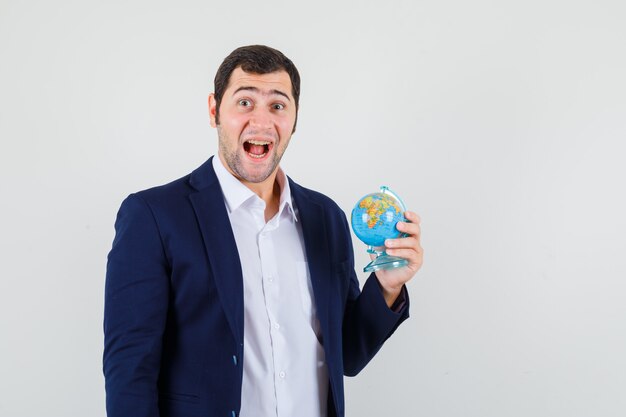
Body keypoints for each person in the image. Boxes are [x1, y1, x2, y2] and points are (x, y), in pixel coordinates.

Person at [103, 45, 423, 417]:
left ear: (295, 118)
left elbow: (346, 355)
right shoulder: (153, 216)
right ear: (214, 111)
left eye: (277, 105)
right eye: (244, 102)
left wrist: (387, 286)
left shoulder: (326, 218)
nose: (261, 121)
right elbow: (130, 370)